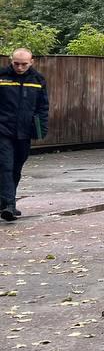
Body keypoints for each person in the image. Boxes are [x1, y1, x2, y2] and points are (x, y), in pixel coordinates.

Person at [0, 48, 49, 222]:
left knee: (16, 167)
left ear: (32, 62)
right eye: (16, 63)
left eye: (24, 64)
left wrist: (40, 129)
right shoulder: (2, 77)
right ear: (10, 60)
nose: (20, 67)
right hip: (3, 130)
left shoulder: (38, 80)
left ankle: (5, 202)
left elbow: (42, 107)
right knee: (5, 165)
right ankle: (9, 206)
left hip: (24, 132)